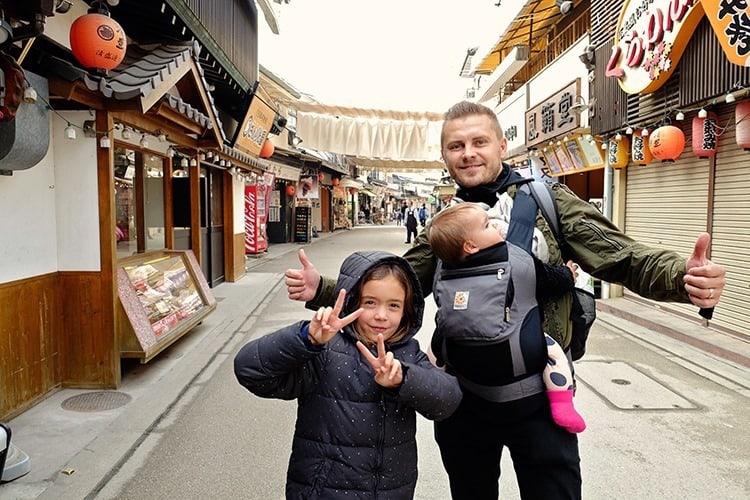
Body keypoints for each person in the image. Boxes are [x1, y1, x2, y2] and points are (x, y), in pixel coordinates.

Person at [284, 100, 726, 499]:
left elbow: (620, 256)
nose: (468, 153)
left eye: (479, 141)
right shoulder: (446, 222)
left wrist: (681, 277)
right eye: (456, 146)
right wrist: (321, 289)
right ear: (445, 156)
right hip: (462, 395)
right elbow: (397, 283)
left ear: (501, 145)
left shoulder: (547, 200)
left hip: (540, 397)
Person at [235, 251, 462, 499]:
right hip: (323, 490)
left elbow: (447, 399)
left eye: (394, 305)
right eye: (370, 303)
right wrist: (306, 339)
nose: (381, 315)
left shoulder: (407, 354)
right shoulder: (325, 352)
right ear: (352, 301)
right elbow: (250, 370)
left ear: (407, 310)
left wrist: (403, 380)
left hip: (392, 491)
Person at [428, 202, 585, 434]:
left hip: (462, 358)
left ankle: (434, 387)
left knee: (436, 345)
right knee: (552, 351)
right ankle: (562, 404)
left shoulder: (445, 268)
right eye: (487, 225)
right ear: (470, 246)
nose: (495, 225)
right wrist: (568, 274)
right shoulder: (516, 261)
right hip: (518, 370)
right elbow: (551, 279)